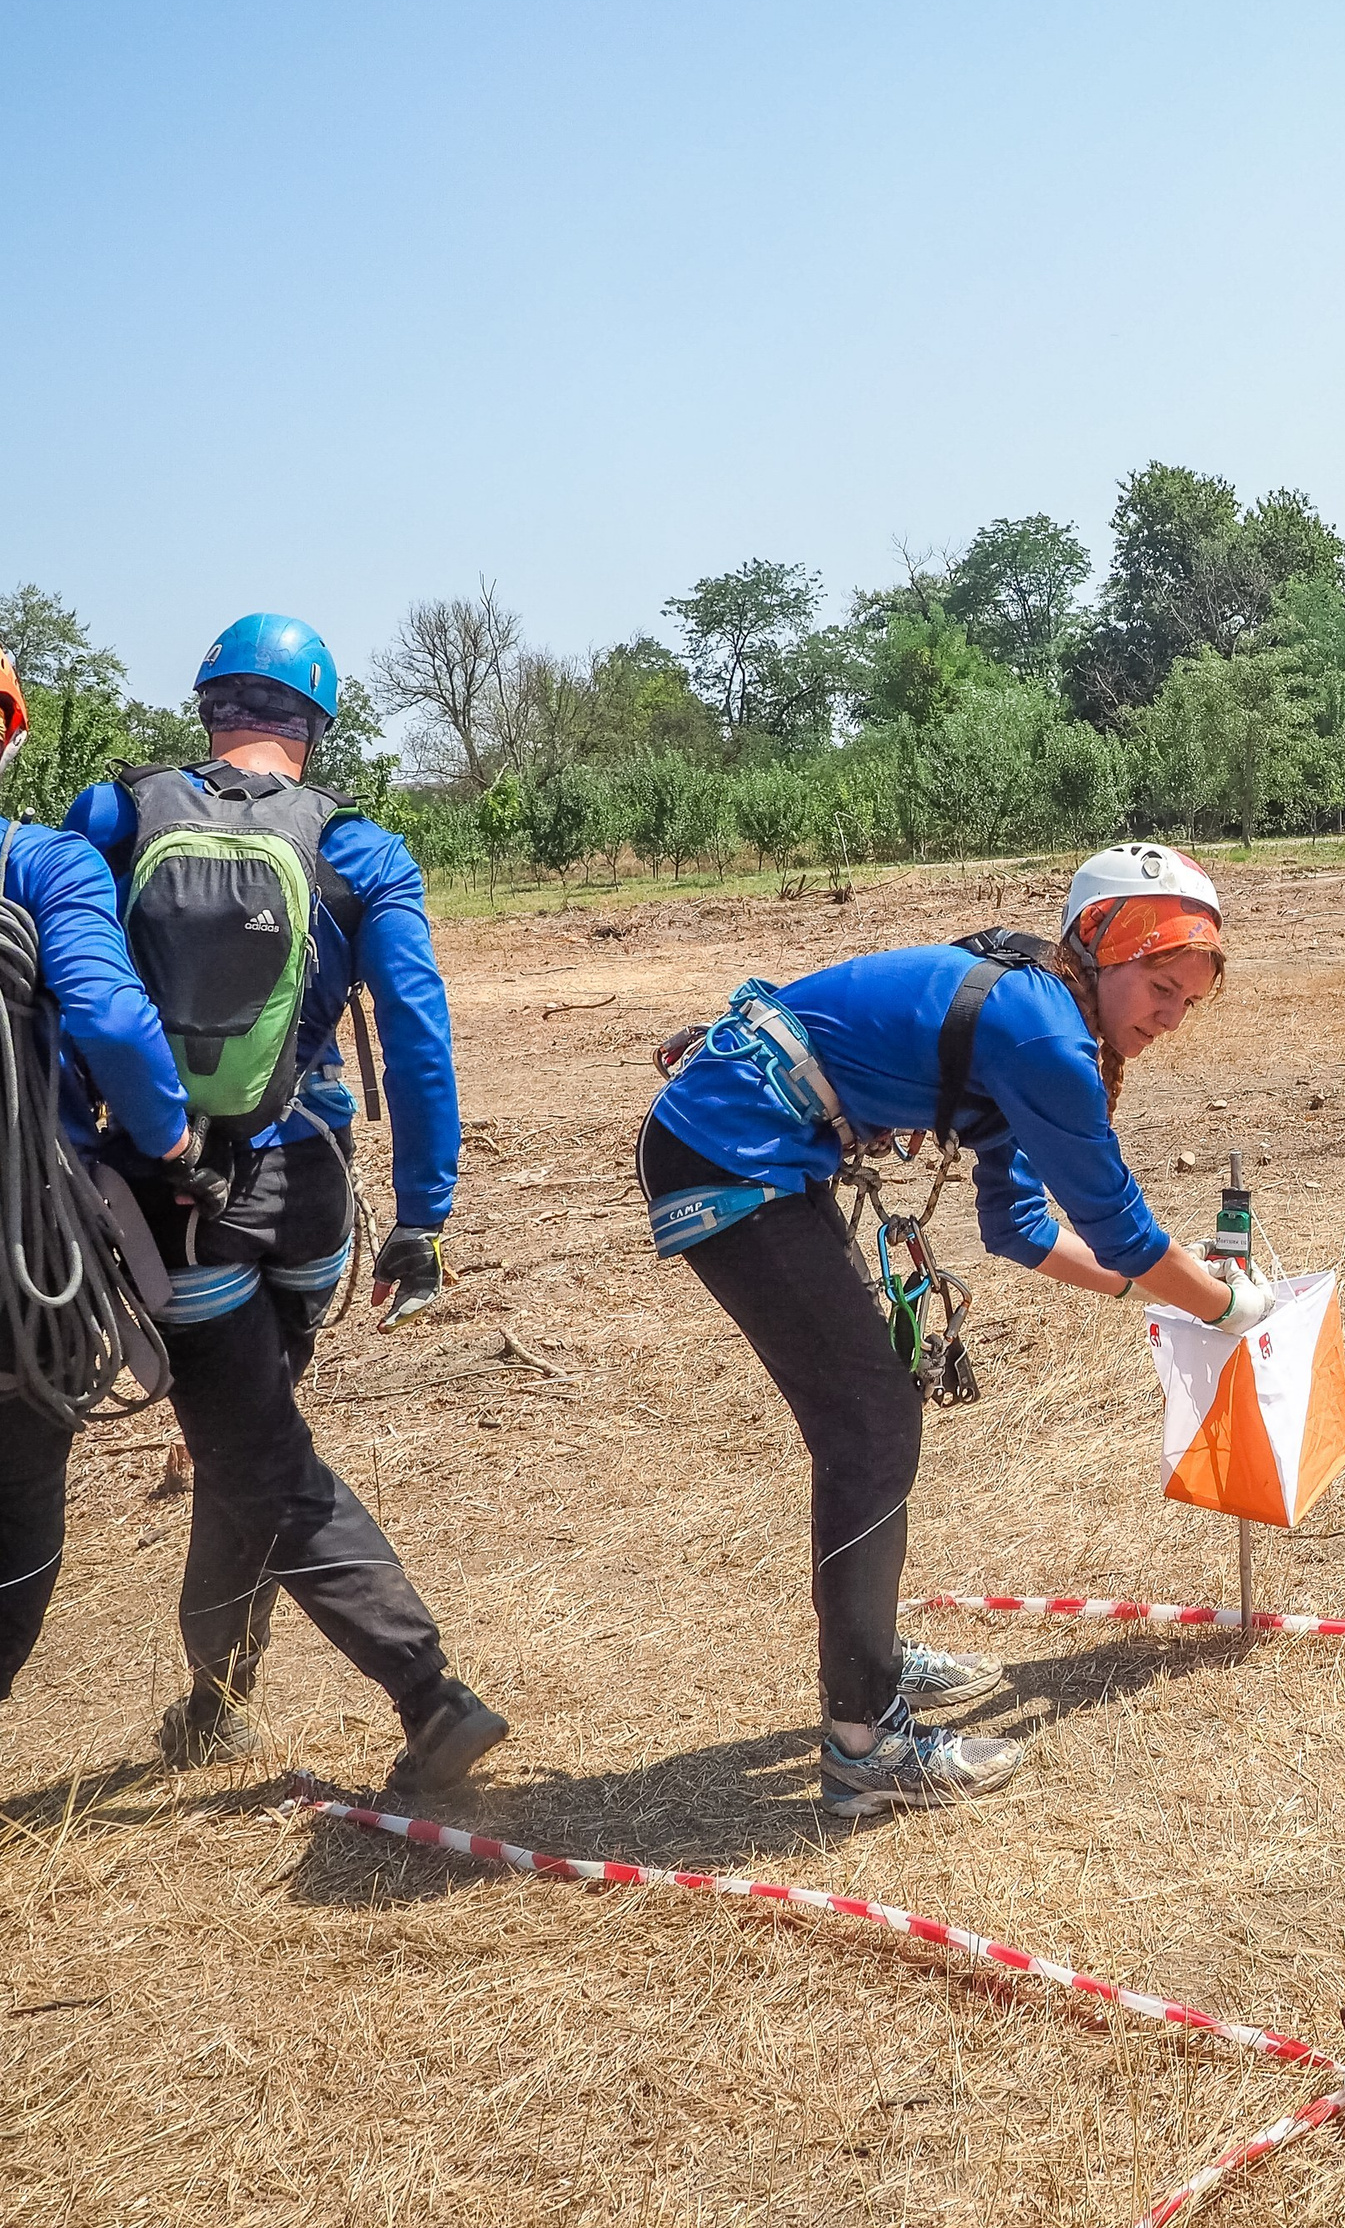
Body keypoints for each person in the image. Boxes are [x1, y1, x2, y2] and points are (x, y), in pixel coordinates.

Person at [640, 841, 1270, 1818]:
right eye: (1157, 984)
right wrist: (1226, 1303)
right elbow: (1118, 1223)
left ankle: (874, 1661)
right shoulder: (1040, 1035)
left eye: (1186, 1000)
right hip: (729, 1146)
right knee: (870, 1422)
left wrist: (1154, 1289)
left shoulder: (1031, 1016)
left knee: (871, 1415)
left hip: (747, 1143)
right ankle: (862, 1744)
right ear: (1101, 949)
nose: (1168, 1016)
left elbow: (1015, 1229)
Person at [65, 613, 506, 1793]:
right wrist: (425, 1212)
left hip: (176, 1186)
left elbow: (60, 997)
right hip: (309, 1187)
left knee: (253, 1446)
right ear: (314, 723)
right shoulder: (361, 852)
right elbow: (417, 1040)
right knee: (242, 1441)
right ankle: (217, 1699)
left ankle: (429, 1693)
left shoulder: (118, 818)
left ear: (210, 708)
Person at [0, 650, 203, 1700]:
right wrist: (169, 1139)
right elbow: (115, 1021)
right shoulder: (39, 864)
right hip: (21, 1263)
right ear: (11, 731)